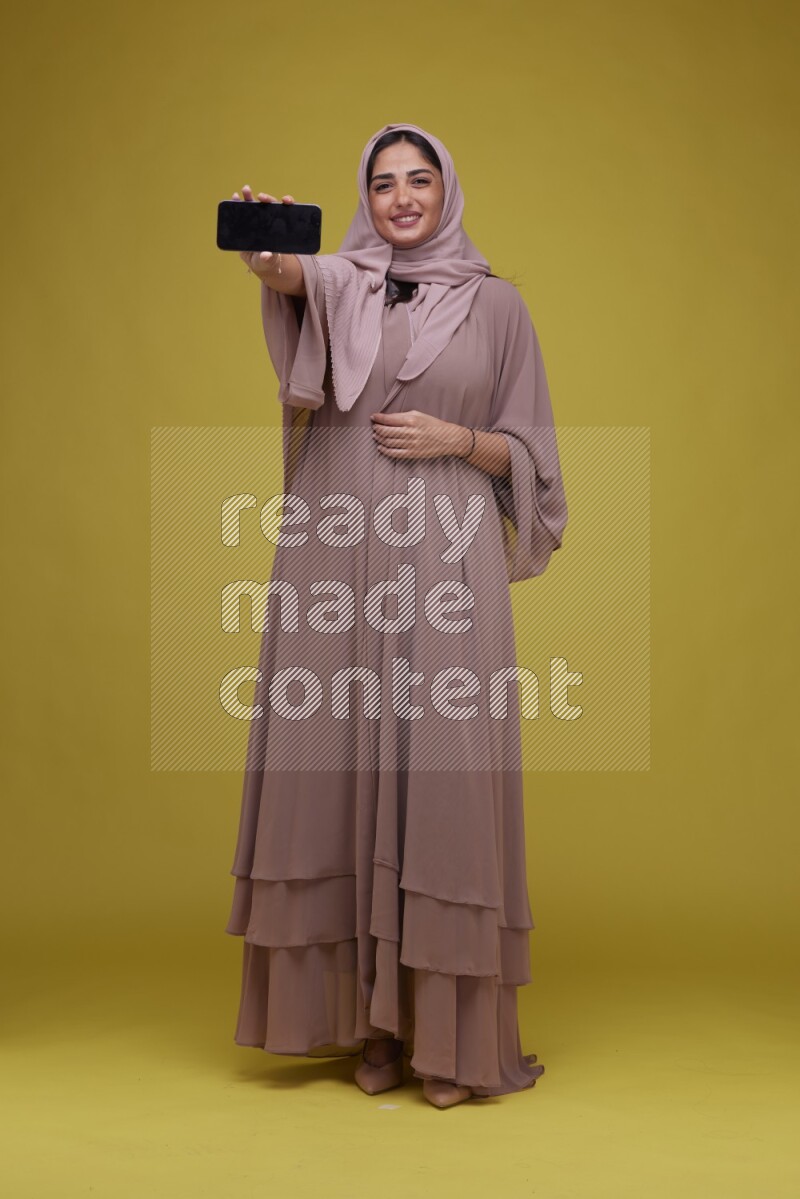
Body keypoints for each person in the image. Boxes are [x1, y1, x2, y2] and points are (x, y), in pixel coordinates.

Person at [224, 122, 568, 1109]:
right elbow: (297, 280)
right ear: (364, 198)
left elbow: (534, 456)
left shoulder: (497, 306)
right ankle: (369, 1030)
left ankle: (448, 1039)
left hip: (447, 560)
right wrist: (270, 256)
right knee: (335, 768)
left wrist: (461, 436)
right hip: (335, 554)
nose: (402, 198)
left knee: (442, 777)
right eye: (383, 183)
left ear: (445, 190)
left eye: (419, 180)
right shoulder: (339, 281)